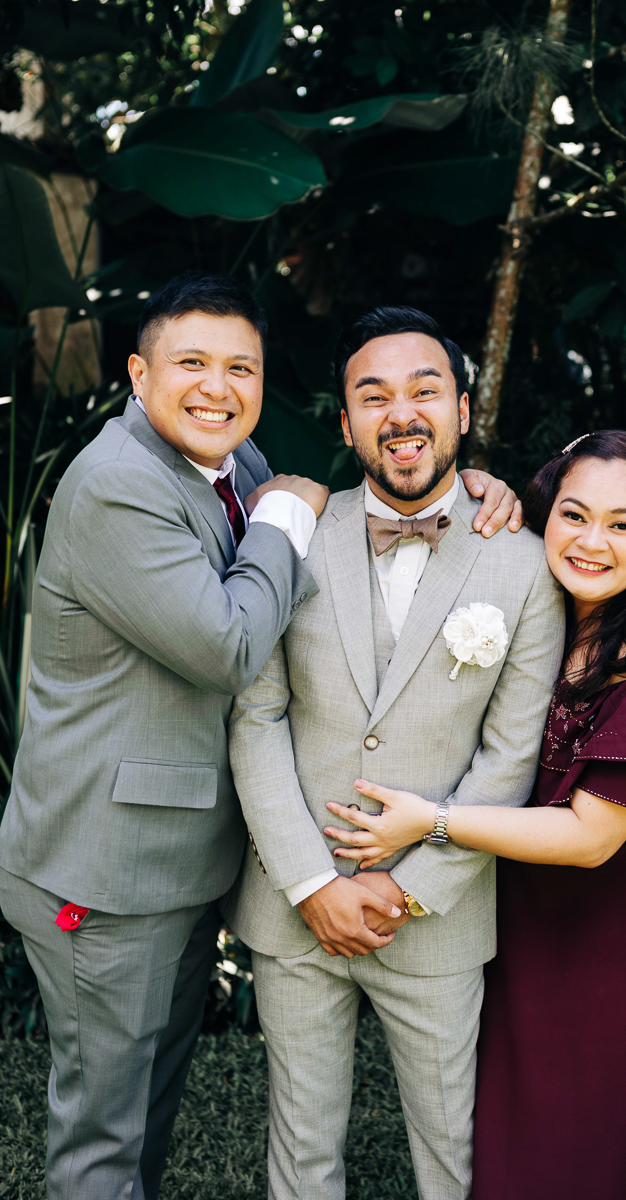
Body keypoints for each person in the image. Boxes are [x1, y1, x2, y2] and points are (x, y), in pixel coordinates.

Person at [0, 274, 518, 1200]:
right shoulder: (117, 485)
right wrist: (285, 512)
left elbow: (390, 470)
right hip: (105, 864)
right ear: (138, 374)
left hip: (185, 854)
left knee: (146, 1108)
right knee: (103, 1129)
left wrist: (473, 483)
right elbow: (234, 646)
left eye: (241, 367)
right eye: (191, 363)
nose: (218, 387)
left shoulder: (231, 462)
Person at [327, 429, 626, 1200]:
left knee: (606, 1137)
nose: (592, 542)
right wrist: (485, 487)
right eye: (574, 515)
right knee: (525, 1129)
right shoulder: (535, 592)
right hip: (528, 907)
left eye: (622, 524)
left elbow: (590, 838)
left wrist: (432, 821)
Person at [223, 305, 565, 1200]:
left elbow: (511, 755)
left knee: (454, 1150)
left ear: (462, 408)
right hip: (295, 906)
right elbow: (255, 719)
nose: (400, 414)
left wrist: (406, 889)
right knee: (301, 1146)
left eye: (424, 390)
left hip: (438, 912)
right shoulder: (294, 537)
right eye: (373, 397)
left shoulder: (526, 564)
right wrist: (312, 883)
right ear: (345, 424)